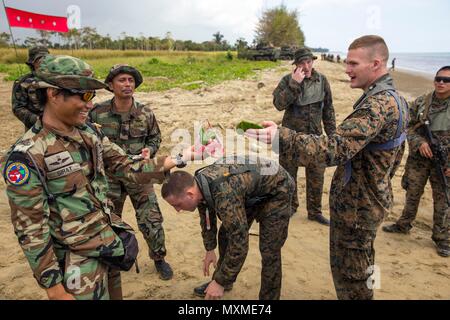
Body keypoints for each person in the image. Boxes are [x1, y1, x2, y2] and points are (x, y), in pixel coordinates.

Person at [1, 54, 202, 300]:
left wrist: (181, 158)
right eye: (83, 95)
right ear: (53, 94)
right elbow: (31, 228)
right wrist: (54, 288)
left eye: (92, 96)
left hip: (108, 246)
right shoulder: (28, 155)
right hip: (77, 262)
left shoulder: (88, 134)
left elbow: (126, 165)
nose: (89, 104)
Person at [246, 35, 409, 300]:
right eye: (346, 62)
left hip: (356, 207)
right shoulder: (396, 99)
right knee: (361, 267)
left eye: (353, 63)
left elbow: (334, 147)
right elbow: (395, 151)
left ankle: (313, 210)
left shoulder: (376, 105)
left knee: (352, 277)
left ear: (376, 64)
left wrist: (280, 137)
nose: (346, 69)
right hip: (367, 199)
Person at [161, 156, 295, 300]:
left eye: (178, 205)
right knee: (225, 234)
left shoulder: (224, 193)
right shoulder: (199, 185)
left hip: (277, 189)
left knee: (270, 250)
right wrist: (210, 249)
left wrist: (220, 281)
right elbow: (207, 218)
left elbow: (240, 242)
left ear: (189, 194)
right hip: (250, 191)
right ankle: (225, 282)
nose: (177, 210)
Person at [89, 64, 173, 280]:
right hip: (110, 178)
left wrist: (150, 149)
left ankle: (159, 258)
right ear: (110, 85)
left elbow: (155, 137)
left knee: (151, 219)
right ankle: (112, 259)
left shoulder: (145, 113)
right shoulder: (97, 113)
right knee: (108, 220)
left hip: (139, 174)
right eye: (122, 80)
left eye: (131, 81)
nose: (127, 84)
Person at [382, 66, 450, 257]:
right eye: (438, 78)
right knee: (412, 192)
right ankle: (404, 224)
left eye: (446, 80)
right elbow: (408, 127)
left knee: (443, 198)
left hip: (445, 162)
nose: (441, 83)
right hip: (420, 159)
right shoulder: (422, 102)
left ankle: (442, 238)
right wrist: (419, 142)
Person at [273, 47, 336, 226]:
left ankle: (315, 212)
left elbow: (329, 110)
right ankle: (291, 207)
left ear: (313, 62)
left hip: (315, 139)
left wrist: (332, 137)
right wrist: (294, 83)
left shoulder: (322, 81)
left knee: (317, 176)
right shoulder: (287, 80)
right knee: (288, 177)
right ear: (296, 65)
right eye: (302, 63)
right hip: (290, 140)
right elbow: (278, 104)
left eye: (309, 62)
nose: (306, 66)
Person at [12, 46, 49, 130]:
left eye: (46, 59)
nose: (42, 62)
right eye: (39, 59)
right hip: (35, 128)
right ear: (32, 62)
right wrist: (37, 120)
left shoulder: (57, 80)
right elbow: (18, 108)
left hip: (59, 127)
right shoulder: (22, 82)